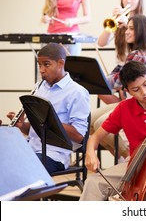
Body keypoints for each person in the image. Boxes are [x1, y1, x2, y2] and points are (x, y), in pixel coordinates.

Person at [79, 61, 146, 201]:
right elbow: (95, 137)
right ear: (127, 91)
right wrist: (90, 153)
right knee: (93, 183)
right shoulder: (124, 108)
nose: (144, 92)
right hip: (135, 166)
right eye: (136, 89)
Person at [6, 43, 90, 174]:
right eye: (39, 65)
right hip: (31, 148)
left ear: (61, 63)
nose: (41, 70)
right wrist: (22, 126)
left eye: (46, 64)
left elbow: (79, 136)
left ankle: (31, 194)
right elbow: (39, 130)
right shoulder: (39, 87)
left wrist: (50, 122)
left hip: (55, 155)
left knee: (20, 169)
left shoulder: (76, 92)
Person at [91, 14, 146, 162]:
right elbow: (118, 75)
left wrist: (96, 78)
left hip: (137, 103)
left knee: (99, 124)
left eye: (131, 29)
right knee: (90, 121)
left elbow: (116, 81)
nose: (126, 32)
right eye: (127, 28)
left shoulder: (138, 55)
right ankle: (122, 159)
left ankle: (127, 155)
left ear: (141, 32)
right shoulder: (138, 52)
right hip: (129, 101)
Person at [96, 0, 146, 99]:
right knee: (100, 88)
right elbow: (101, 43)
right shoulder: (118, 20)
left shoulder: (145, 21)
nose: (128, 1)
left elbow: (144, 43)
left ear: (139, 0)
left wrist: (127, 23)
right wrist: (113, 19)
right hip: (121, 67)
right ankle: (121, 111)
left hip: (136, 69)